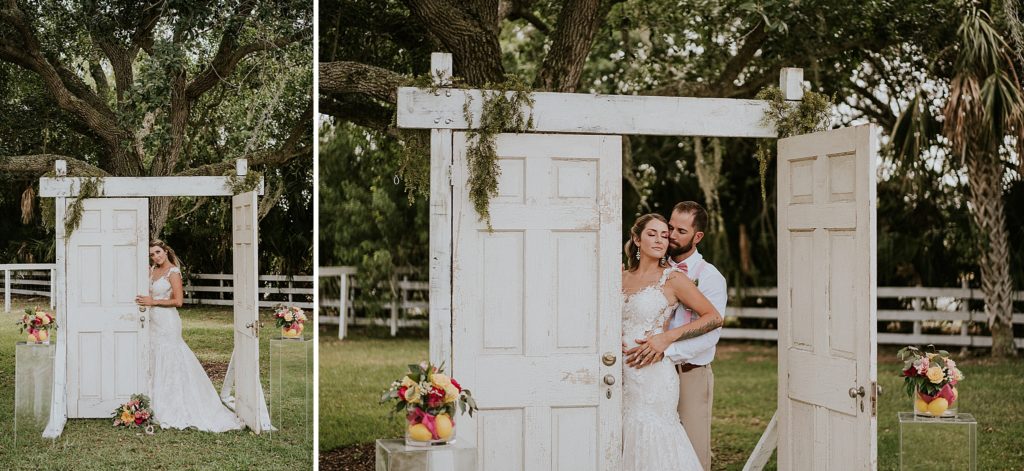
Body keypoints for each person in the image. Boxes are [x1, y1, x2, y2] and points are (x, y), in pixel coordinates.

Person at [625, 202, 727, 470]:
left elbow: (712, 327)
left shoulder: (707, 276)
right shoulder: (644, 270)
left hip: (688, 370)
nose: (669, 236)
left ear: (697, 236)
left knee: (688, 446)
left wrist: (665, 345)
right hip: (634, 370)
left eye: (678, 231)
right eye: (668, 228)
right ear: (637, 239)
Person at [135, 240, 243, 432]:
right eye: (152, 254)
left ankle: (176, 404)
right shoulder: (152, 270)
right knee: (155, 358)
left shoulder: (173, 272)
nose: (156, 256)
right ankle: (154, 402)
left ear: (166, 251)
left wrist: (153, 301)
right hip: (152, 322)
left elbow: (178, 301)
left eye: (158, 252)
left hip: (168, 322)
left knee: (171, 359)